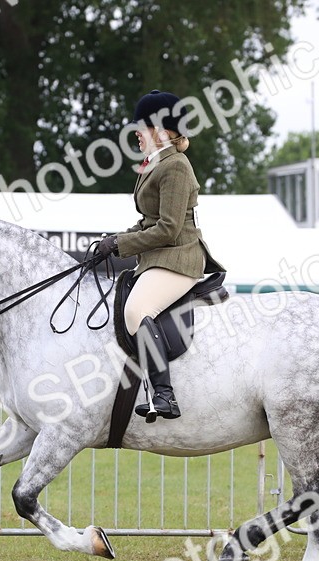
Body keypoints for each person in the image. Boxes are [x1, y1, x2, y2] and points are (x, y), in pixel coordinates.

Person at [94, 90, 224, 422]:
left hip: (179, 256)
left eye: (142, 126)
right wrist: (113, 240)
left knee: (137, 309)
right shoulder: (157, 164)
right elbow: (149, 221)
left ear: (162, 131)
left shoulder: (176, 166)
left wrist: (122, 246)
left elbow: (167, 229)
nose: (136, 133)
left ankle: (164, 395)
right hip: (160, 257)